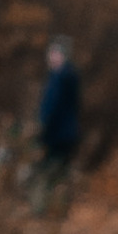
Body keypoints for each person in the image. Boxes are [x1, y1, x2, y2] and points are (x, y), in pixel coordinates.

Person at [36, 38, 82, 200]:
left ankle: (45, 205)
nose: (50, 57)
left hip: (56, 134)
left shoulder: (59, 77)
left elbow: (51, 105)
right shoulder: (71, 75)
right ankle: (58, 203)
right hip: (68, 133)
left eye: (54, 53)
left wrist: (42, 125)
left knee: (48, 173)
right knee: (61, 173)